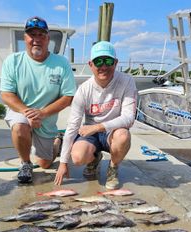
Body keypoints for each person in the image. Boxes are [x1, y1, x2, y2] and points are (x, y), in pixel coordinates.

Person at [0, 16, 76, 184]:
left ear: (48, 39)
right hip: (21, 112)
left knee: (44, 163)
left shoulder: (61, 63)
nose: (36, 39)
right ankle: (25, 163)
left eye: (41, 35)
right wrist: (29, 114)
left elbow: (68, 96)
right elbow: (6, 94)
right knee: (20, 127)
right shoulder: (12, 61)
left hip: (46, 118)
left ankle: (57, 142)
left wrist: (42, 113)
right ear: (25, 38)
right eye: (31, 34)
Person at [54, 41, 137, 189]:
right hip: (91, 133)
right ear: (90, 64)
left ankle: (113, 167)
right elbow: (72, 126)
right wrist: (63, 163)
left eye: (108, 61)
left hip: (113, 131)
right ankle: (95, 157)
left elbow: (129, 118)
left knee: (123, 136)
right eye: (98, 61)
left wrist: (99, 127)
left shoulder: (127, 81)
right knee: (78, 158)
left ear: (116, 63)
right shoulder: (83, 89)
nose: (103, 66)